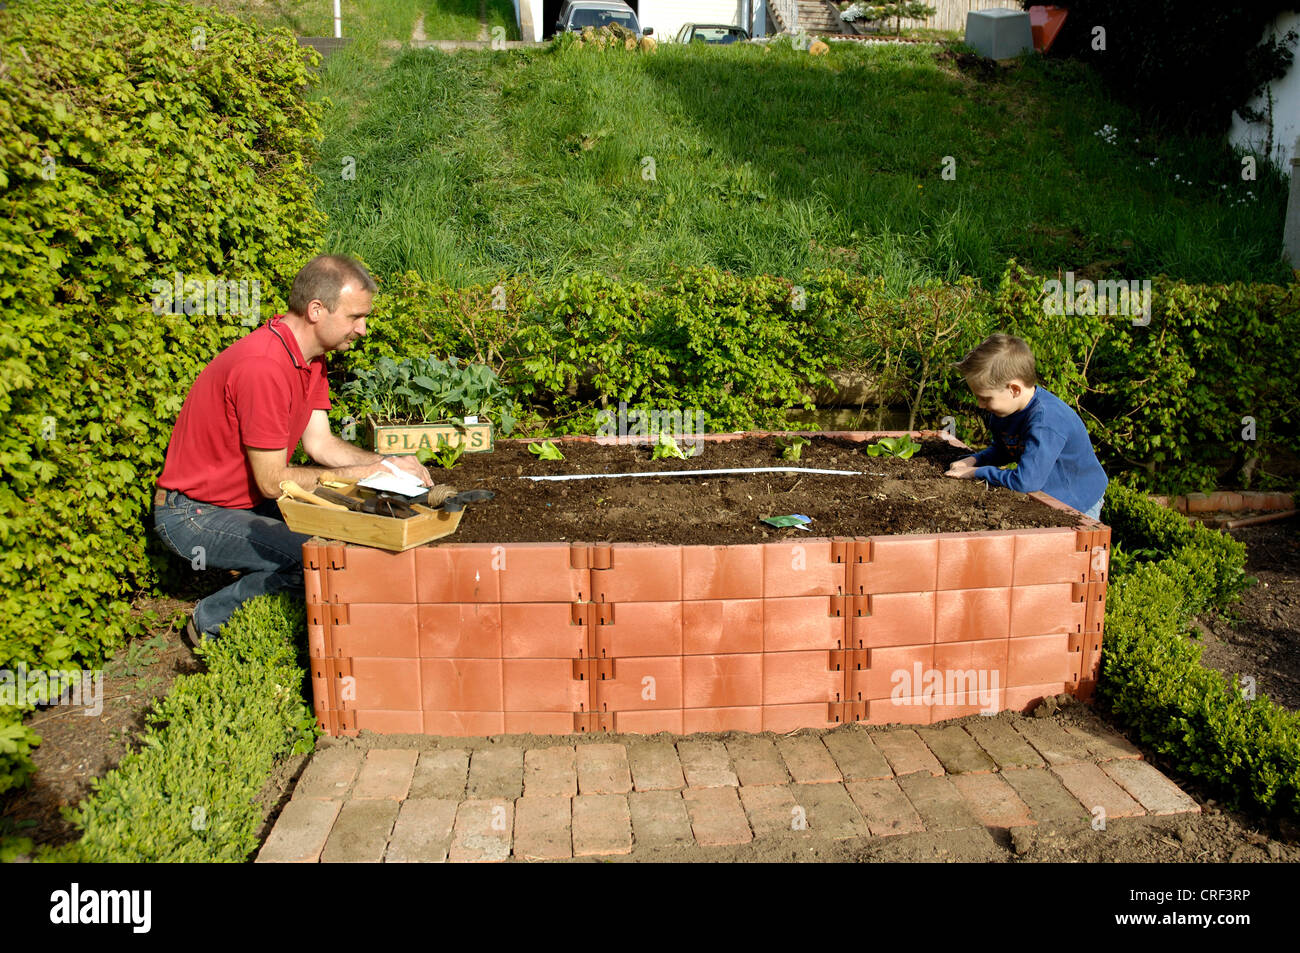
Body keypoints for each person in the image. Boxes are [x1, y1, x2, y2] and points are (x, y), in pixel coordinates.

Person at [152, 255, 433, 645]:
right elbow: (271, 483)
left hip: (242, 503)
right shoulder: (263, 367)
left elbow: (321, 444)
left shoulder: (311, 360)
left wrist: (388, 464)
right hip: (192, 512)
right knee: (320, 560)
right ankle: (211, 620)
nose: (363, 329)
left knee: (349, 536)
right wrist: (362, 475)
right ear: (316, 310)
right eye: (355, 317)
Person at [943, 333, 1108, 520]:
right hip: (1047, 491)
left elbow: (1025, 482)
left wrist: (976, 472)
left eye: (985, 398)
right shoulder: (1003, 411)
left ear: (1014, 389)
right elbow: (1004, 448)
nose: (980, 404)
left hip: (1078, 499)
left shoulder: (1046, 421)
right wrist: (974, 460)